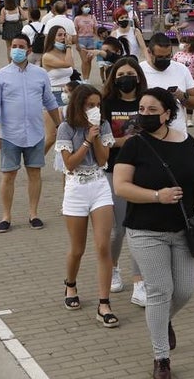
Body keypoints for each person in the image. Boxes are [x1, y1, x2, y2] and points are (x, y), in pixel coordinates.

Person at [113, 88, 194, 379]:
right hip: (145, 231)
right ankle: (161, 359)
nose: (144, 115)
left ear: (168, 113)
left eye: (152, 110)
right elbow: (121, 186)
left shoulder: (186, 141)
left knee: (184, 290)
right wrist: (157, 195)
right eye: (141, 109)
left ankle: (162, 321)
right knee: (159, 290)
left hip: (183, 229)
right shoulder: (134, 144)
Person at [55, 84, 118, 327]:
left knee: (104, 245)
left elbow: (103, 160)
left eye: (97, 105)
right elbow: (69, 164)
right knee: (77, 249)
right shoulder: (66, 128)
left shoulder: (102, 126)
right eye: (90, 105)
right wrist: (86, 141)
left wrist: (96, 137)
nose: (95, 109)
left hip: (99, 185)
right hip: (76, 189)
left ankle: (104, 303)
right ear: (79, 105)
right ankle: (70, 284)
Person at [0, 35, 63, 233]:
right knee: (8, 175)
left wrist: (61, 126)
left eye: (21, 47)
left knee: (34, 173)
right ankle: (6, 216)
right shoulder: (0, 76)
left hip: (35, 133)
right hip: (10, 135)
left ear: (29, 50)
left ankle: (33, 213)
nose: (17, 50)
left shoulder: (40, 74)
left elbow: (50, 102)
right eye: (14, 46)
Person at [100, 57, 147, 304]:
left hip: (144, 172)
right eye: (119, 75)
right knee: (118, 228)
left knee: (138, 228)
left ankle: (139, 282)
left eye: (129, 74)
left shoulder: (147, 101)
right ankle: (113, 266)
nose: (125, 79)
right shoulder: (106, 105)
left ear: (138, 76)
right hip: (114, 170)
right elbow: (102, 141)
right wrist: (125, 142)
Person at [141, 33, 194, 133]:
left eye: (168, 56)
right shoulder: (139, 71)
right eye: (160, 57)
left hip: (178, 133)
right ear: (149, 52)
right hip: (148, 135)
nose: (164, 60)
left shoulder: (181, 69)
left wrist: (181, 96)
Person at [74, 3, 99, 81]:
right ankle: (84, 78)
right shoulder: (77, 18)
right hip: (81, 39)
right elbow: (75, 32)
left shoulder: (92, 17)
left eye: (88, 6)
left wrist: (96, 41)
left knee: (89, 60)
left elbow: (96, 30)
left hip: (91, 39)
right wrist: (76, 43)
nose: (87, 8)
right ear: (81, 8)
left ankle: (87, 78)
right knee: (84, 60)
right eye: (85, 6)